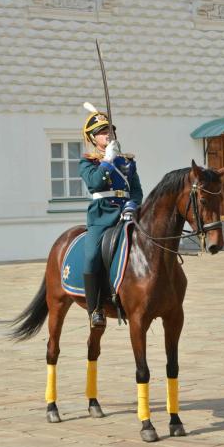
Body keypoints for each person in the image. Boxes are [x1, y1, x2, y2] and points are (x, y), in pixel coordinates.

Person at [79, 107, 143, 328]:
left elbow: (136, 190)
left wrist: (131, 206)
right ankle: (95, 308)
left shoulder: (127, 161)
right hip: (101, 215)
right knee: (92, 256)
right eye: (102, 131)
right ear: (93, 138)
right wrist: (108, 159)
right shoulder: (88, 162)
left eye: (110, 130)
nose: (108, 134)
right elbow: (95, 183)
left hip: (126, 213)